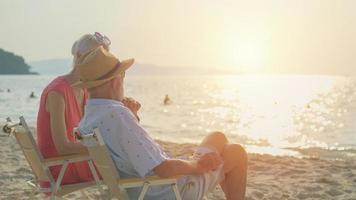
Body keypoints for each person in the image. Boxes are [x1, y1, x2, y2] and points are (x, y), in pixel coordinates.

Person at [77, 46, 247, 200]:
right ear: (115, 81)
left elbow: (125, 150)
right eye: (123, 75)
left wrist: (133, 118)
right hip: (170, 190)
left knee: (217, 136)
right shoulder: (117, 114)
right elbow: (163, 169)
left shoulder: (89, 118)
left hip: (141, 188)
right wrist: (198, 166)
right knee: (236, 152)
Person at [36, 32, 111, 187]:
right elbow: (62, 147)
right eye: (94, 57)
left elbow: (88, 131)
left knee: (125, 161)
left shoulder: (83, 90)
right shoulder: (58, 92)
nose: (99, 64)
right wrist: (105, 149)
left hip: (73, 160)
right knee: (124, 167)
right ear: (78, 55)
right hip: (60, 167)